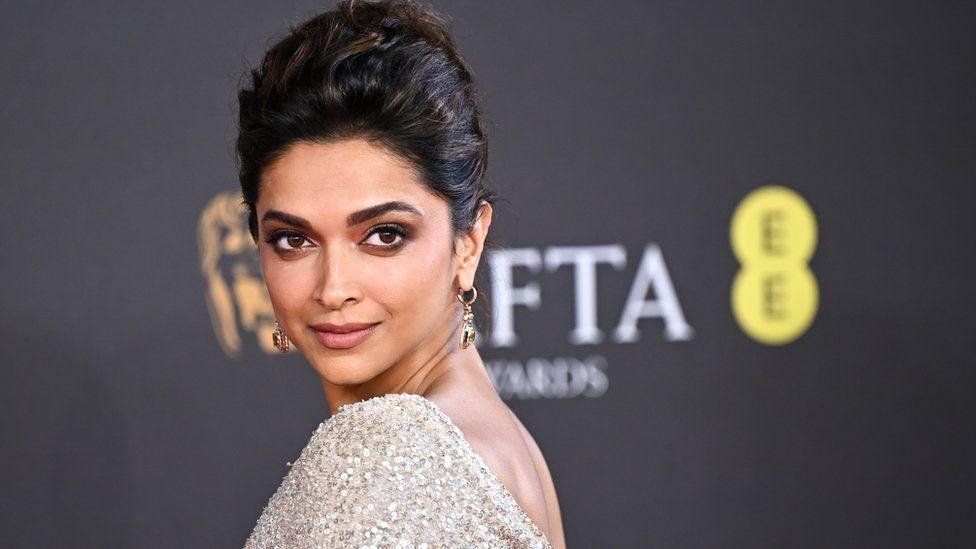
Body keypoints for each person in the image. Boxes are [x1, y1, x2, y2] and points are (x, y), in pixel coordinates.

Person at [235, 1, 566, 547]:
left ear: (468, 242)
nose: (333, 288)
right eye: (293, 240)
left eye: (384, 235)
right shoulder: (496, 440)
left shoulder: (392, 455)